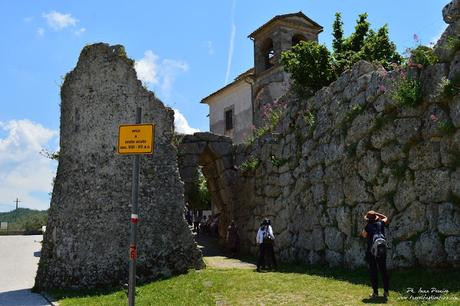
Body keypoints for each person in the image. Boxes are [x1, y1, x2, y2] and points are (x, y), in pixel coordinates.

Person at [361, 210, 390, 299]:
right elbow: (386, 217)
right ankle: (386, 292)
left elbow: (364, 235)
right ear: (376, 218)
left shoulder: (367, 227)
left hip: (372, 252)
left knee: (373, 272)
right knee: (383, 270)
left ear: (367, 219)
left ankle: (375, 293)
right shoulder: (381, 223)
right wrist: (377, 214)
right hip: (382, 250)